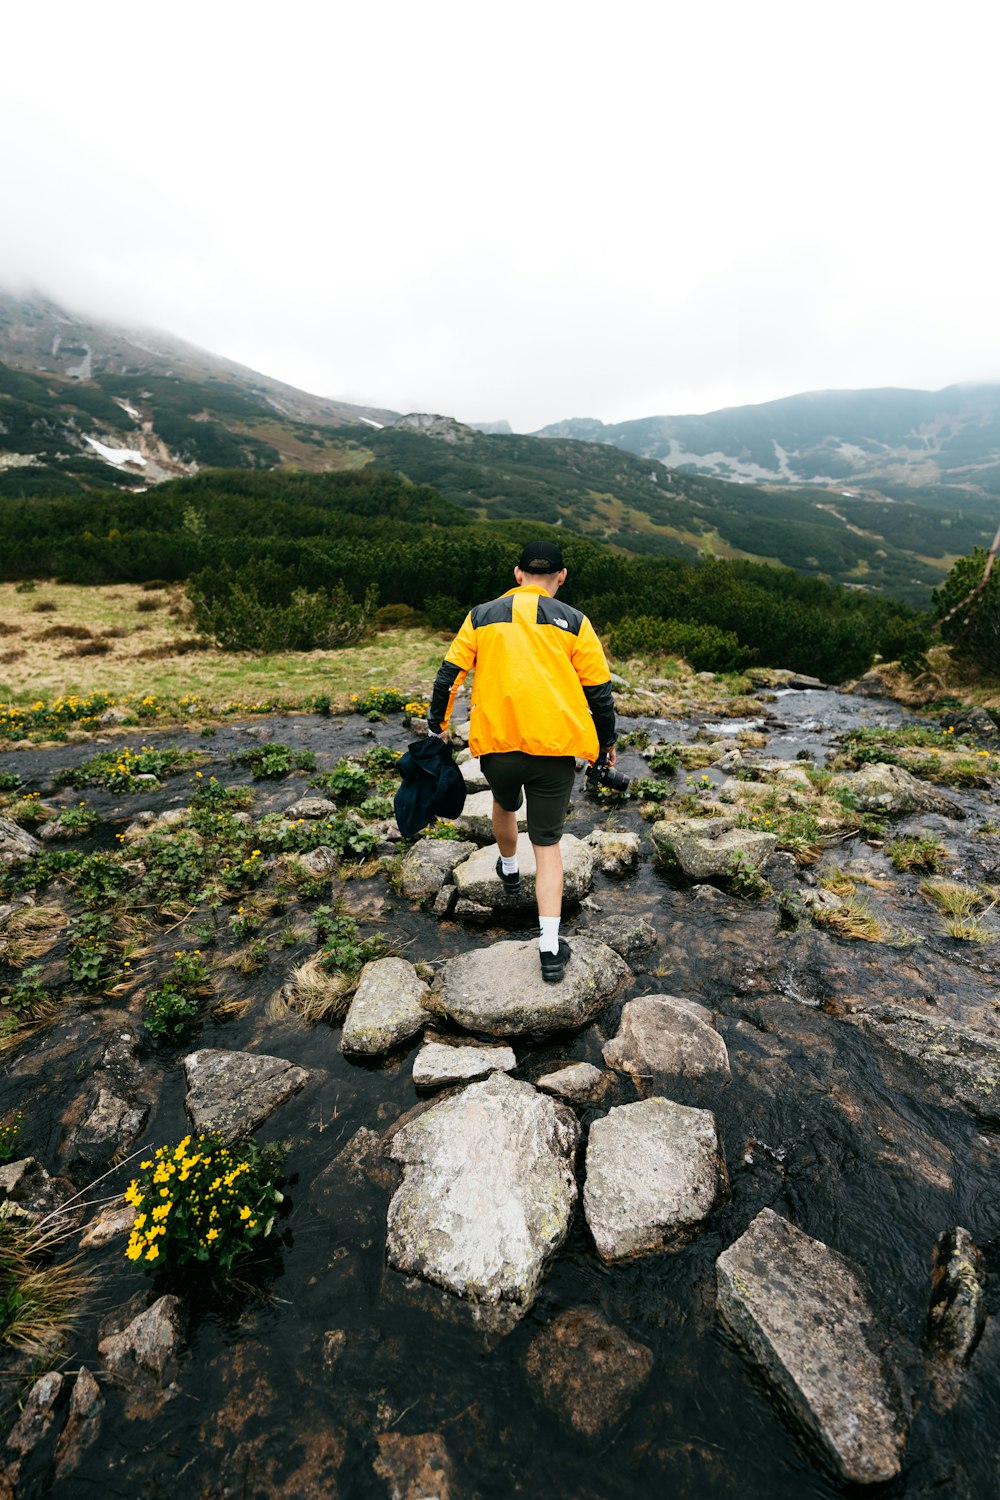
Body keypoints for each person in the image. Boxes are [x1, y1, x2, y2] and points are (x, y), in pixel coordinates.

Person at [427, 540, 616, 983]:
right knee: (548, 846)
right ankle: (550, 949)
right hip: (554, 750)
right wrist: (607, 744)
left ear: (517, 574)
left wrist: (437, 724)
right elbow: (599, 693)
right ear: (561, 577)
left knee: (504, 804)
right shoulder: (575, 621)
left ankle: (508, 869)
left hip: (498, 746)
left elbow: (448, 674)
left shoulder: (481, 615)